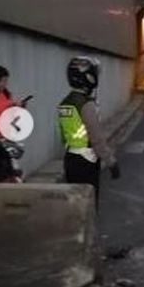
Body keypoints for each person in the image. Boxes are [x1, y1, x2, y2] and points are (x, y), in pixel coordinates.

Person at [57, 56, 120, 205]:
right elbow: (97, 138)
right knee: (89, 204)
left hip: (70, 159)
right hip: (87, 161)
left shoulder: (64, 104)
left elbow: (63, 136)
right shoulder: (86, 105)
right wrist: (111, 162)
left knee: (75, 203)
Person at [0, 65, 30, 137]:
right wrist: (9, 106)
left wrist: (19, 107)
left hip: (6, 135)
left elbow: (12, 117)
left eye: (6, 81)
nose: (5, 84)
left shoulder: (6, 94)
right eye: (3, 81)